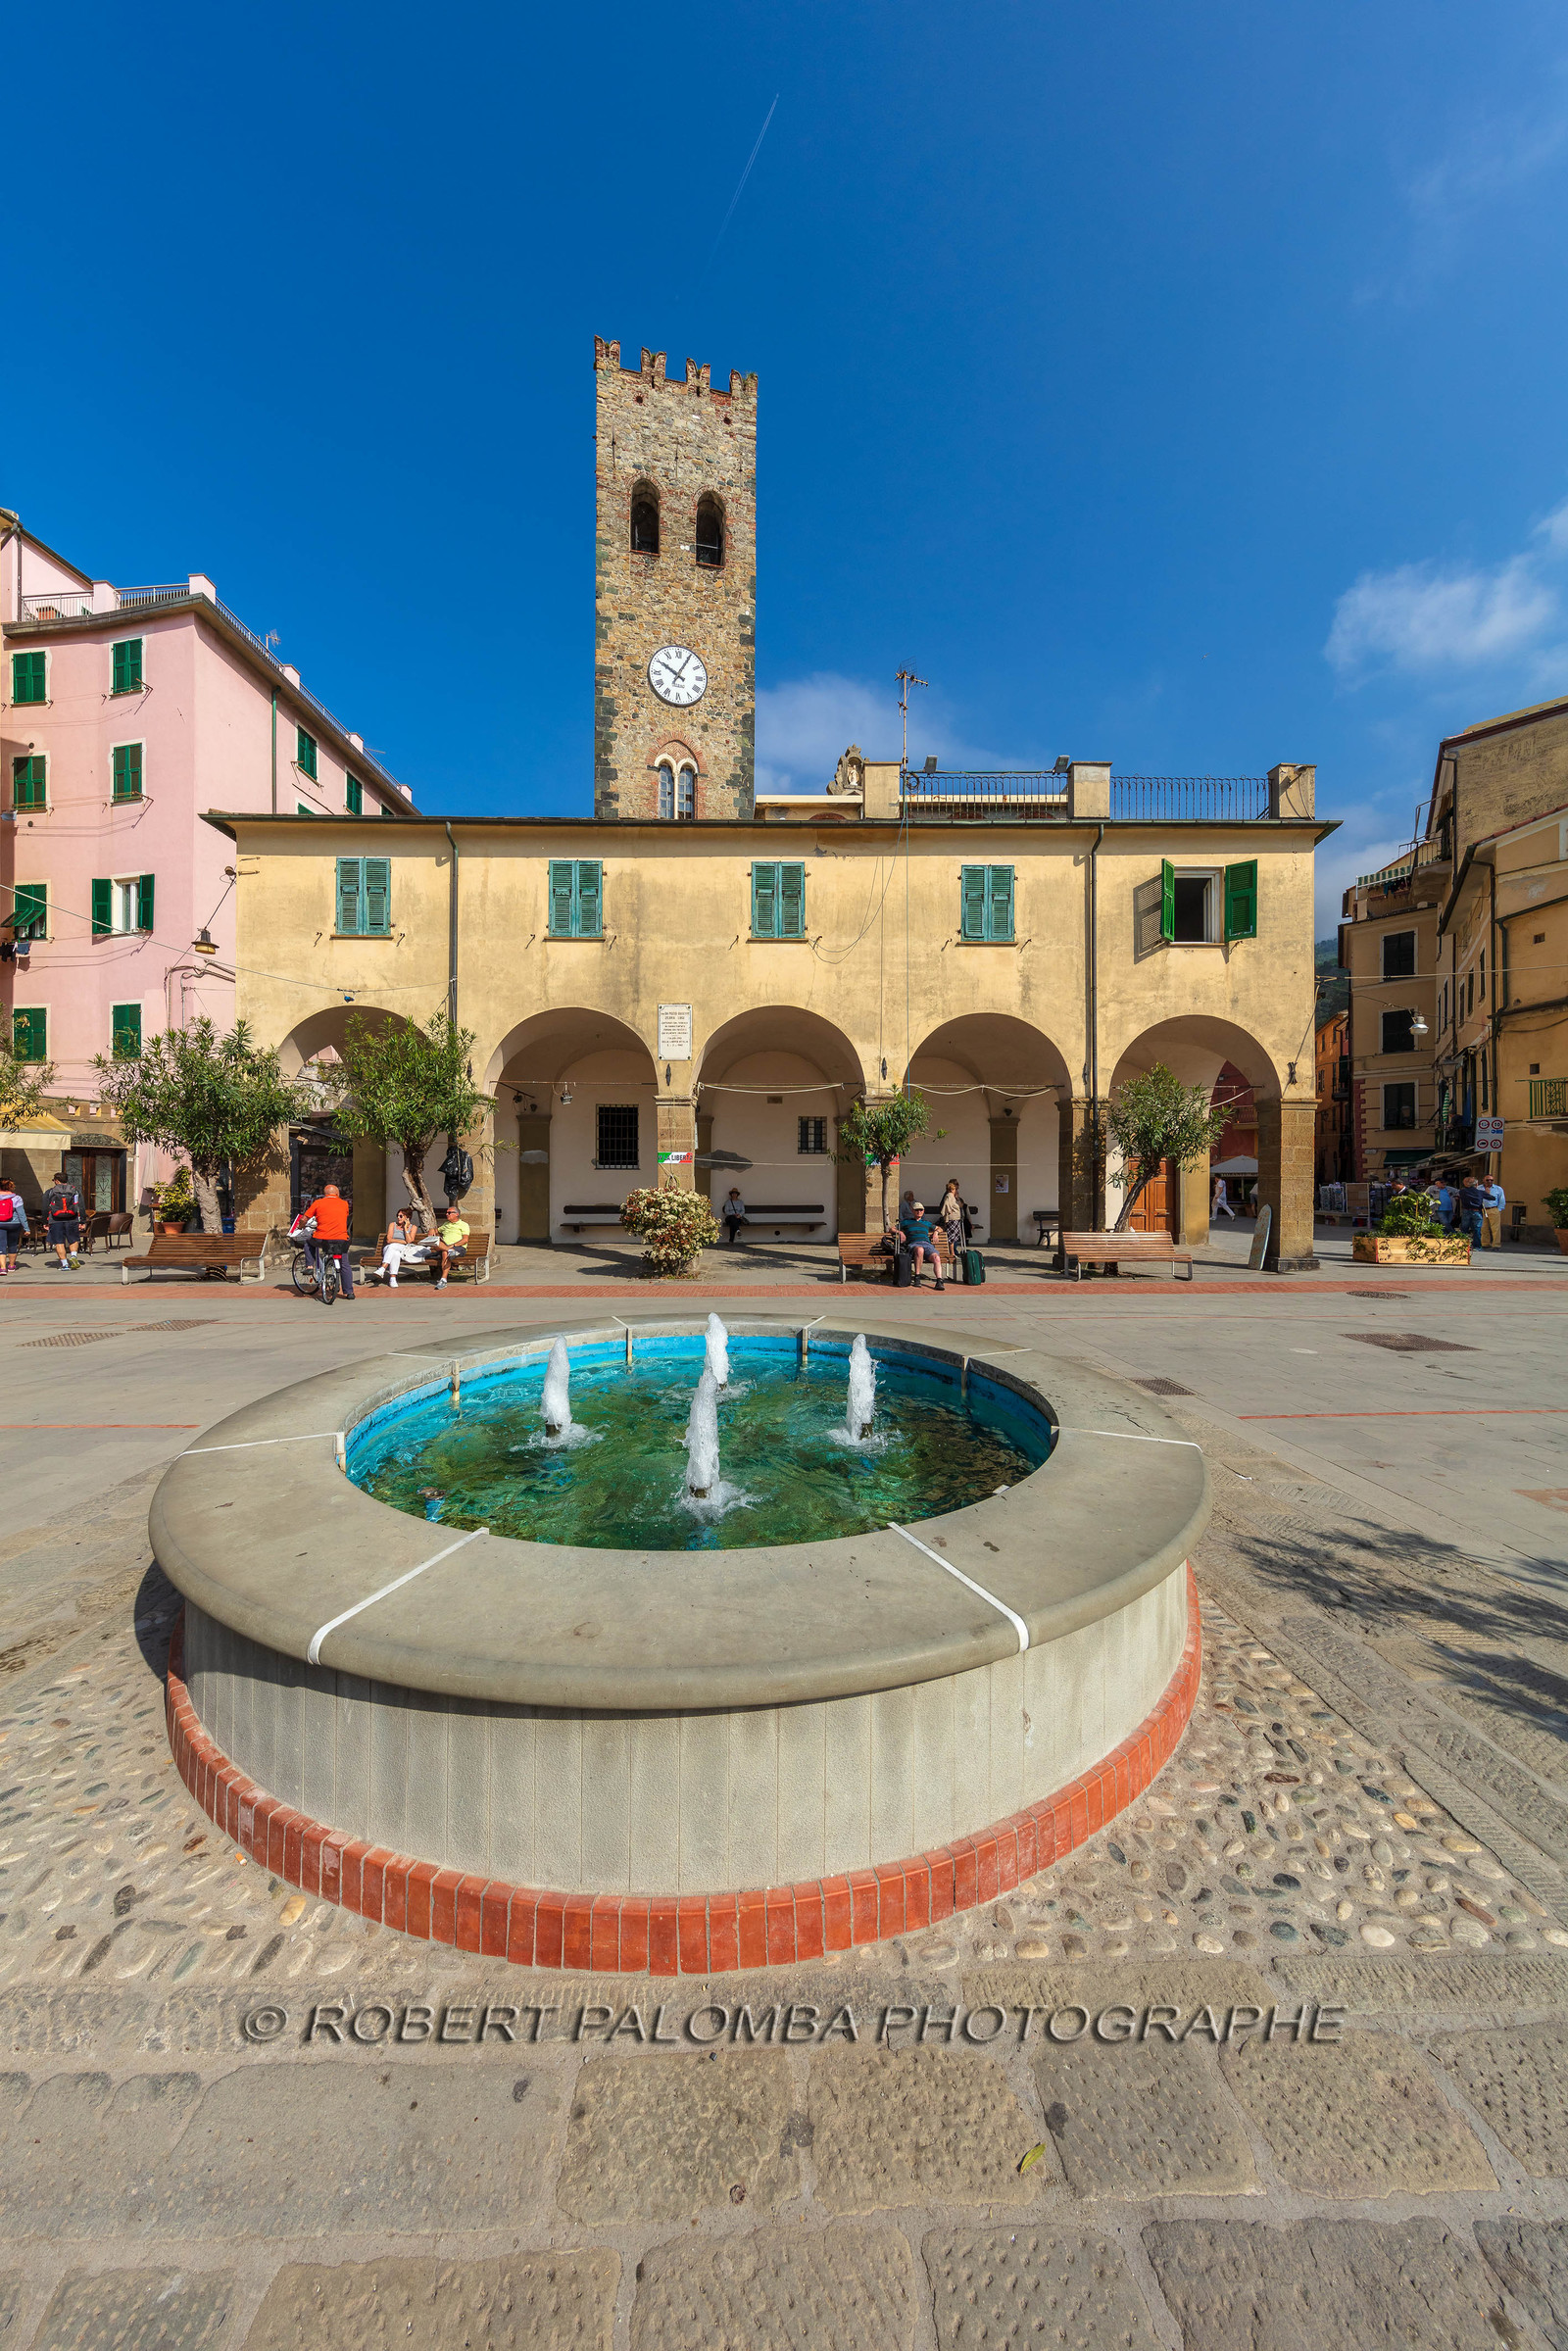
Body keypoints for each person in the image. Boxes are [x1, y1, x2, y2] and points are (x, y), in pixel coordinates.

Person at [299, 1181, 355, 1298]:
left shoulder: (318, 1203)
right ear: (337, 1194)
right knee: (344, 1263)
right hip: (341, 1239)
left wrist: (301, 1226)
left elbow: (304, 1218)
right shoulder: (344, 1204)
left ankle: (309, 1266)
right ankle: (349, 1292)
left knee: (308, 1241)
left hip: (322, 1239)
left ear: (325, 1194)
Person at [370, 1207, 428, 1289]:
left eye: (401, 1216)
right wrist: (403, 1241)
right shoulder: (392, 1225)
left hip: (403, 1249)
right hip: (388, 1248)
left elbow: (409, 1241)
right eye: (397, 1216)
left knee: (395, 1250)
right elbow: (389, 1240)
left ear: (407, 1217)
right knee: (395, 1252)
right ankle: (392, 1279)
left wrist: (405, 1228)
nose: (398, 1217)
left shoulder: (413, 1227)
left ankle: (383, 1269)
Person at [899, 1198, 946, 1291]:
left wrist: (936, 1232)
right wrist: (900, 1232)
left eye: (921, 1210)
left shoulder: (926, 1223)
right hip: (914, 1244)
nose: (919, 1212)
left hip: (927, 1244)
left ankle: (939, 1281)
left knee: (936, 1257)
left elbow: (940, 1228)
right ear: (912, 1211)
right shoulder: (906, 1222)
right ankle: (917, 1277)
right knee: (920, 1250)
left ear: (923, 1211)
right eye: (917, 1210)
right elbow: (892, 1228)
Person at [42, 1168, 83, 1269]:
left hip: (55, 1219)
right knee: (73, 1239)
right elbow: (81, 1206)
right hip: (72, 1218)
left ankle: (65, 1264)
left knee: (59, 1242)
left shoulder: (50, 1192)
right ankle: (73, 1256)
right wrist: (82, 1220)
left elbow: (44, 1207)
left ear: (56, 1181)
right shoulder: (75, 1191)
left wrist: (45, 1221)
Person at [937, 1179, 969, 1278]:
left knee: (955, 1236)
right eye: (955, 1188)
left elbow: (960, 1205)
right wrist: (948, 1211)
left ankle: (953, 1252)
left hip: (956, 1219)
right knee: (952, 1236)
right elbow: (946, 1205)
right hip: (952, 1219)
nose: (957, 1190)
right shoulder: (949, 1195)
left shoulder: (952, 1196)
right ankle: (952, 1253)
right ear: (952, 1189)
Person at [432, 1206, 469, 1290]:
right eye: (446, 1212)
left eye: (449, 1213)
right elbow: (436, 1230)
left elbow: (465, 1240)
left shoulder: (463, 1225)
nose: (447, 1214)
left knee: (445, 1252)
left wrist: (452, 1245)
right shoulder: (446, 1224)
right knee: (440, 1247)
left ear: (456, 1214)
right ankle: (450, 1251)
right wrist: (432, 1230)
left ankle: (443, 1280)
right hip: (446, 1247)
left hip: (459, 1248)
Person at [0, 1184, 27, 1273]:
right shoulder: (16, 1198)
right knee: (12, 1244)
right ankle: (11, 1266)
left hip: (0, 1223)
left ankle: (3, 1268)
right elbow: (21, 1214)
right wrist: (26, 1228)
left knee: (1, 1245)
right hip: (14, 1223)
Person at [1456, 1175, 1487, 1248]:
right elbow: (1492, 1198)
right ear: (1477, 1184)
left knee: (1464, 1228)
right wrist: (1487, 1193)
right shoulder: (1480, 1192)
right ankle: (1477, 1246)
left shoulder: (1462, 1191)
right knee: (1477, 1229)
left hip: (1466, 1210)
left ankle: (1462, 1245)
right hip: (1476, 1211)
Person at [1483, 1175, 1506, 1249]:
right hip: (1483, 1209)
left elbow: (1502, 1200)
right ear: (1484, 1180)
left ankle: (1496, 1244)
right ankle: (1485, 1243)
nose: (1489, 1181)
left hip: (1493, 1209)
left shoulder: (1498, 1189)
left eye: (1491, 1180)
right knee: (1483, 1228)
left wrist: (1498, 1210)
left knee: (1496, 1228)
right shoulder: (1479, 1188)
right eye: (1487, 1180)